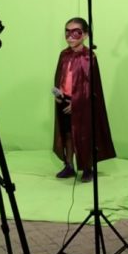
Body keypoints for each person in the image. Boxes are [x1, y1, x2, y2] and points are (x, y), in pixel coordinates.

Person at [52, 17, 115, 182]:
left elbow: (91, 87)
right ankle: (69, 166)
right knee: (67, 134)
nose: (70, 36)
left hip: (83, 103)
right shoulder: (63, 55)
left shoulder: (89, 57)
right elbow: (59, 77)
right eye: (67, 32)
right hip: (64, 100)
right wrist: (58, 94)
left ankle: (87, 168)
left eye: (76, 32)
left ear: (86, 35)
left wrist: (77, 103)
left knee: (84, 135)